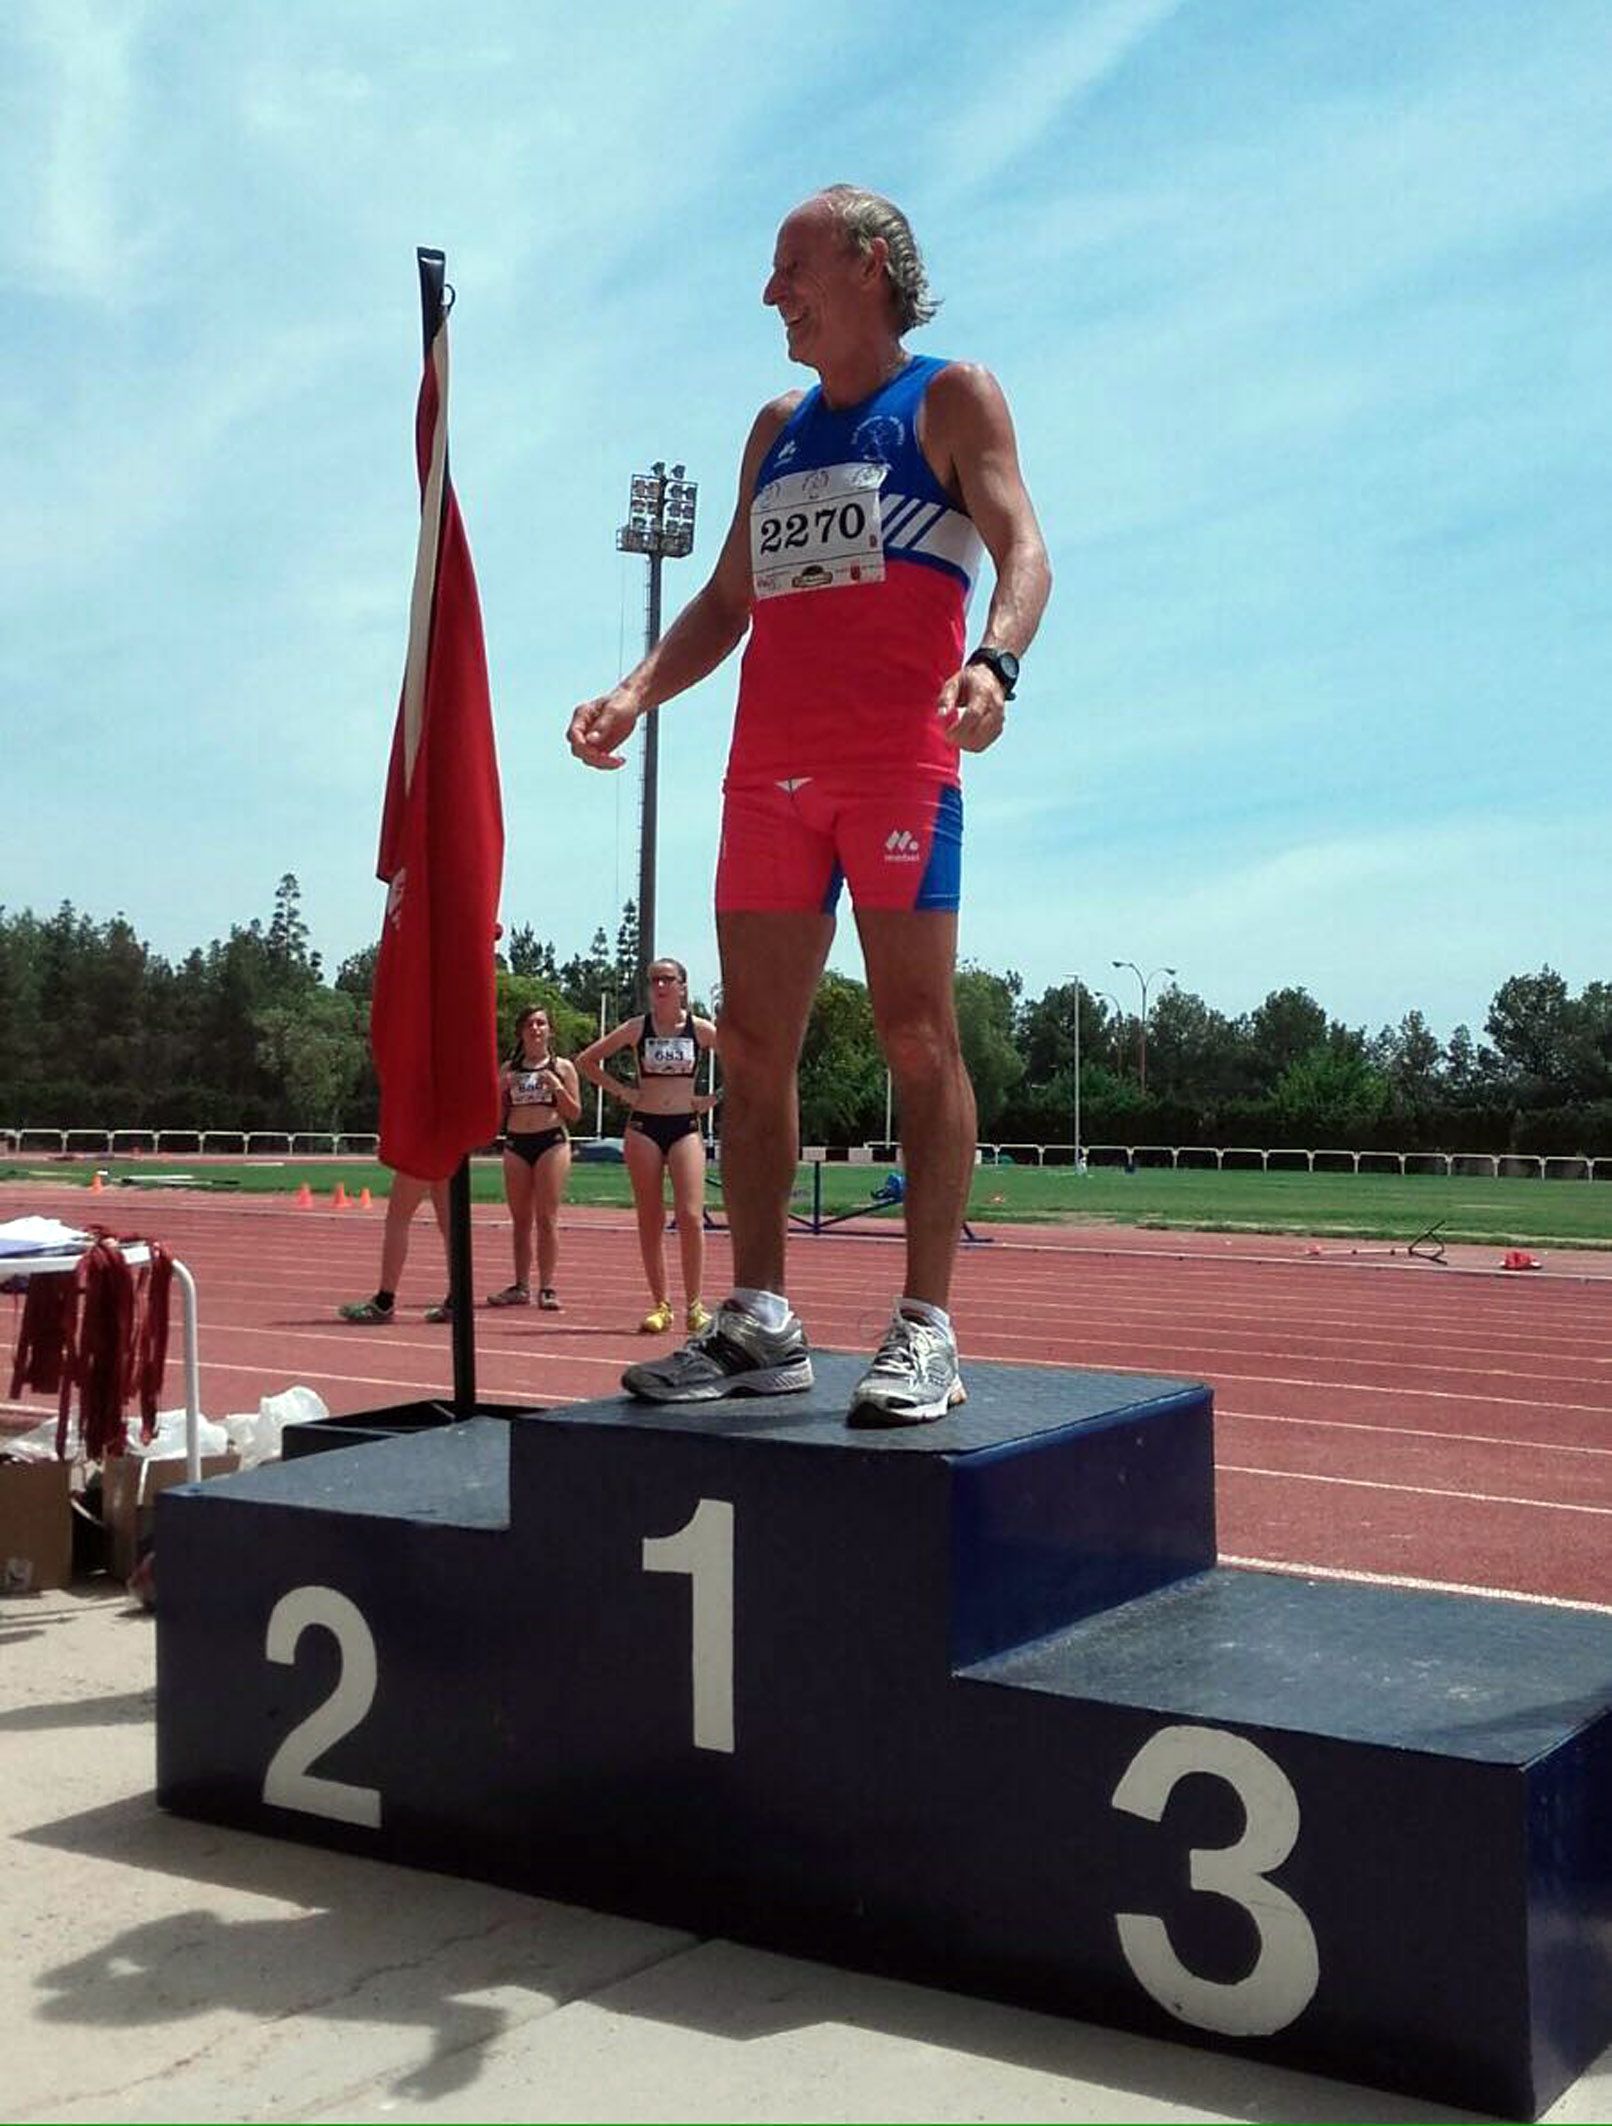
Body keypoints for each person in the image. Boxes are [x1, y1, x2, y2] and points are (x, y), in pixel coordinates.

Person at [568, 185, 1050, 1425]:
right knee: (756, 1049)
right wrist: (634, 691)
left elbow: (1024, 546)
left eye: (789, 265)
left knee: (915, 1037)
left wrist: (994, 660)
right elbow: (729, 598)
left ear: (868, 263)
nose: (769, 291)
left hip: (898, 764)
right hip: (766, 778)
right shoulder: (775, 428)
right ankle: (761, 1319)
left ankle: (925, 1326)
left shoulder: (950, 398)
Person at [576, 957, 719, 1335]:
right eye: (654, 980)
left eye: (668, 980)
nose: (660, 986)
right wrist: (623, 1091)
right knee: (650, 1217)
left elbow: (748, 1061)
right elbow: (586, 1061)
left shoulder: (700, 1030)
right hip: (644, 1126)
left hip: (685, 1127)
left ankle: (695, 1306)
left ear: (683, 986)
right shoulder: (637, 1029)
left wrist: (714, 1099)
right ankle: (661, 1305)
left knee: (690, 1216)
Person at [488, 1005, 582, 1310]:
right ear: (521, 1032)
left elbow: (575, 1113)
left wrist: (556, 1089)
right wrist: (500, 1089)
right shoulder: (509, 1069)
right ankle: (520, 1285)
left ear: (550, 1030)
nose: (536, 1029)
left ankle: (547, 1286)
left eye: (542, 1023)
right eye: (530, 1024)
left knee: (546, 1217)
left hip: (551, 1141)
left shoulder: (563, 1067)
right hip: (517, 1143)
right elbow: (497, 1118)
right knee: (520, 1220)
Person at [337, 1171, 452, 1323]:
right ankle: (456, 1301)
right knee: (451, 1225)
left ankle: (384, 1302)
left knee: (398, 1220)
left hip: (423, 1153)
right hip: (452, 1152)